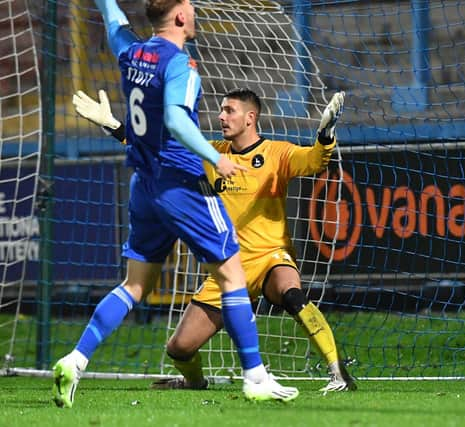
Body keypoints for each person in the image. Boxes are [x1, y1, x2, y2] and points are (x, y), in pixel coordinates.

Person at [51, 0, 299, 408]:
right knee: (233, 274)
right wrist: (215, 156)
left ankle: (75, 360)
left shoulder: (132, 52)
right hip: (182, 183)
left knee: (134, 285)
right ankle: (255, 376)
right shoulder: (181, 64)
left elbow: (114, 23)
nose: (196, 13)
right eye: (191, 7)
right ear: (181, 17)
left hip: (143, 185)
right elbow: (176, 120)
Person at [73, 87, 356, 393]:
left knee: (291, 293)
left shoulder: (277, 153)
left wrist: (325, 133)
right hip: (228, 267)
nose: (221, 116)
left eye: (229, 110)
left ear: (251, 117)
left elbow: (315, 160)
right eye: (221, 110)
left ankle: (339, 372)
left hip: (271, 257)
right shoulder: (210, 154)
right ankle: (194, 382)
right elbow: (157, 151)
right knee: (179, 348)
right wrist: (112, 125)